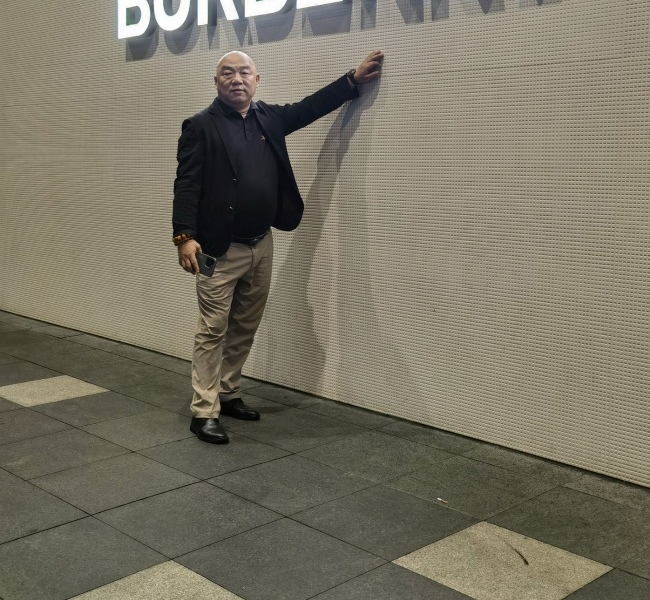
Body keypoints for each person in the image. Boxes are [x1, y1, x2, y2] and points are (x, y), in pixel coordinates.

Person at [173, 50, 384, 444]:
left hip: (261, 243)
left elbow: (310, 107)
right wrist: (184, 237)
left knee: (245, 325)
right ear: (216, 82)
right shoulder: (200, 126)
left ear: (257, 80)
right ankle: (203, 411)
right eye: (227, 73)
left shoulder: (268, 118)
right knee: (212, 331)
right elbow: (186, 183)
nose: (236, 79)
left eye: (244, 72)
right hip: (218, 250)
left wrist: (351, 81)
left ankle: (228, 392)